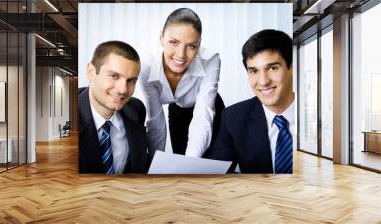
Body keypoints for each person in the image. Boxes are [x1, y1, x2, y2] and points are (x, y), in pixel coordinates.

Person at [139, 8, 224, 158]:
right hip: (177, 111)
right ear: (161, 39)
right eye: (174, 42)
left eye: (191, 46)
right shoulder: (146, 68)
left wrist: (191, 163)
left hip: (209, 108)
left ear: (199, 44)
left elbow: (202, 116)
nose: (181, 54)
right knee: (180, 160)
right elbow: (155, 121)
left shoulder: (210, 60)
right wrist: (153, 166)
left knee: (210, 164)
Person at [210, 29, 295, 174]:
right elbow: (216, 174)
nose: (263, 81)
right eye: (254, 71)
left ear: (291, 67)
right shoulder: (233, 117)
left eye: (272, 68)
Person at [78, 41, 149, 174]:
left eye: (131, 80)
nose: (123, 90)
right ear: (91, 72)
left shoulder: (136, 109)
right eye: (114, 76)